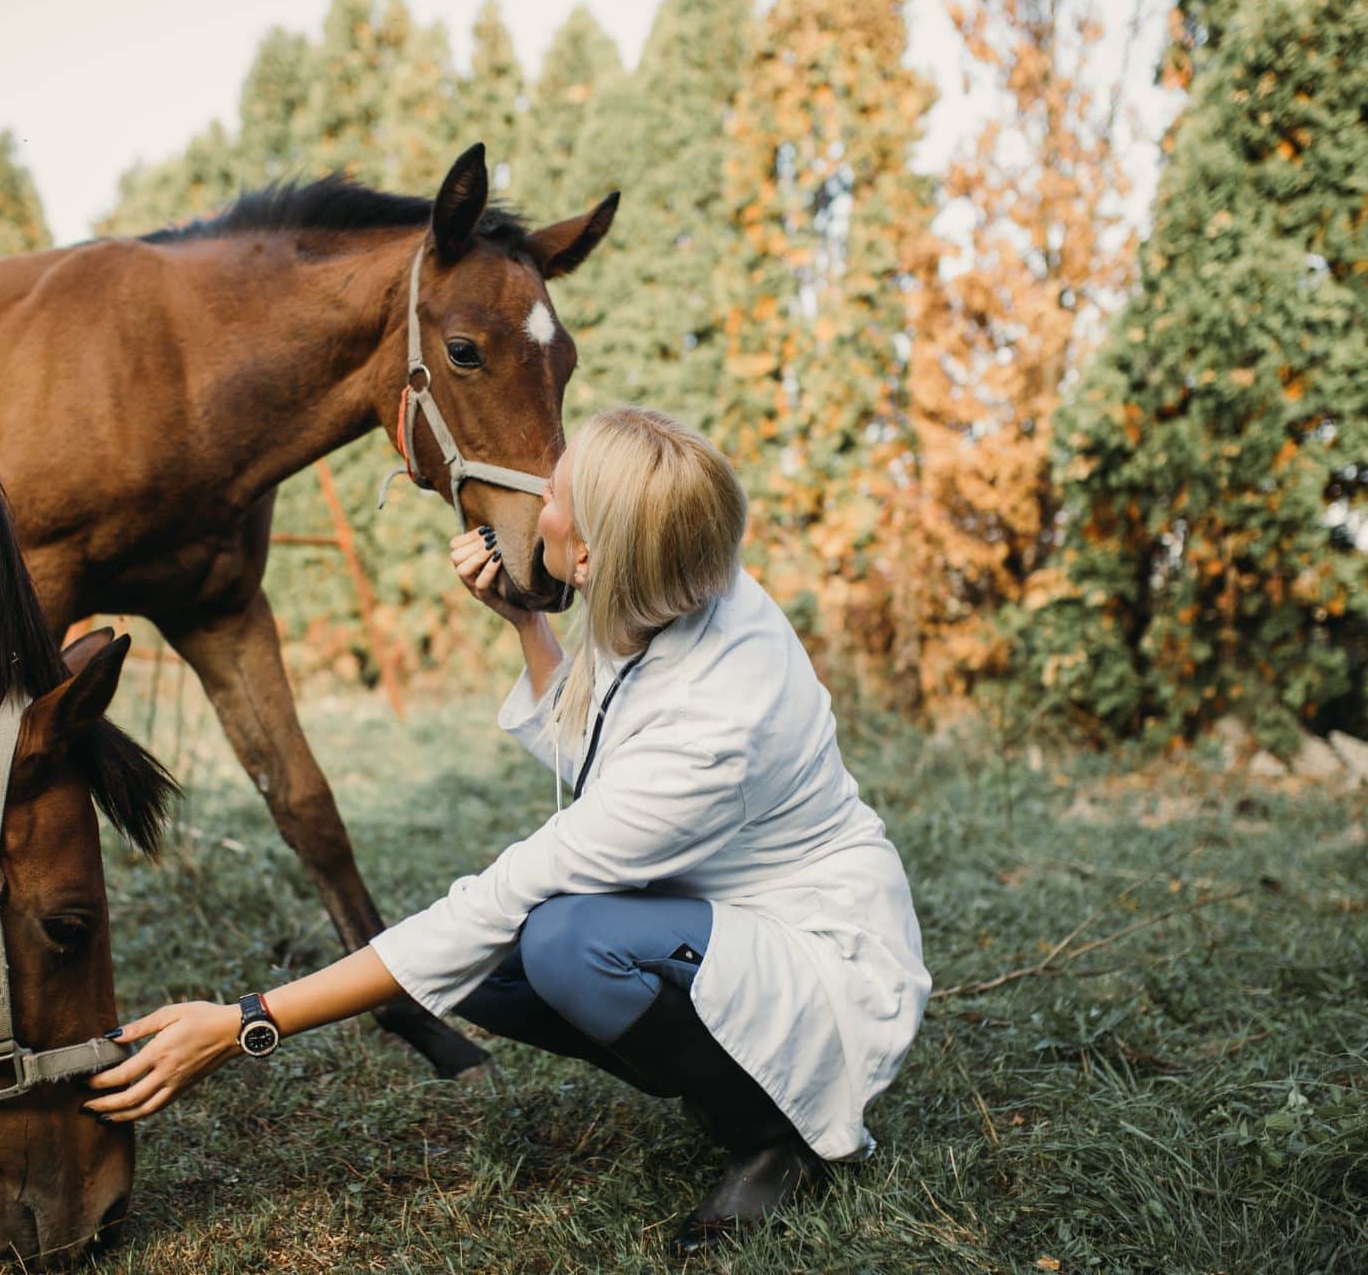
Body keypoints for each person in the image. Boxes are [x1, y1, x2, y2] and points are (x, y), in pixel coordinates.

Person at [85, 407, 929, 1254]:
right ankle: (709, 1065)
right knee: (479, 971)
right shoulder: (681, 577)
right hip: (714, 902)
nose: (532, 506)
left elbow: (516, 886)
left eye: (552, 497)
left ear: (590, 557)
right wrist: (528, 618)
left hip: (814, 944)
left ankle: (772, 1136)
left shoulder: (714, 734)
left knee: (561, 943)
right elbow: (609, 749)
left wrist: (245, 1022)